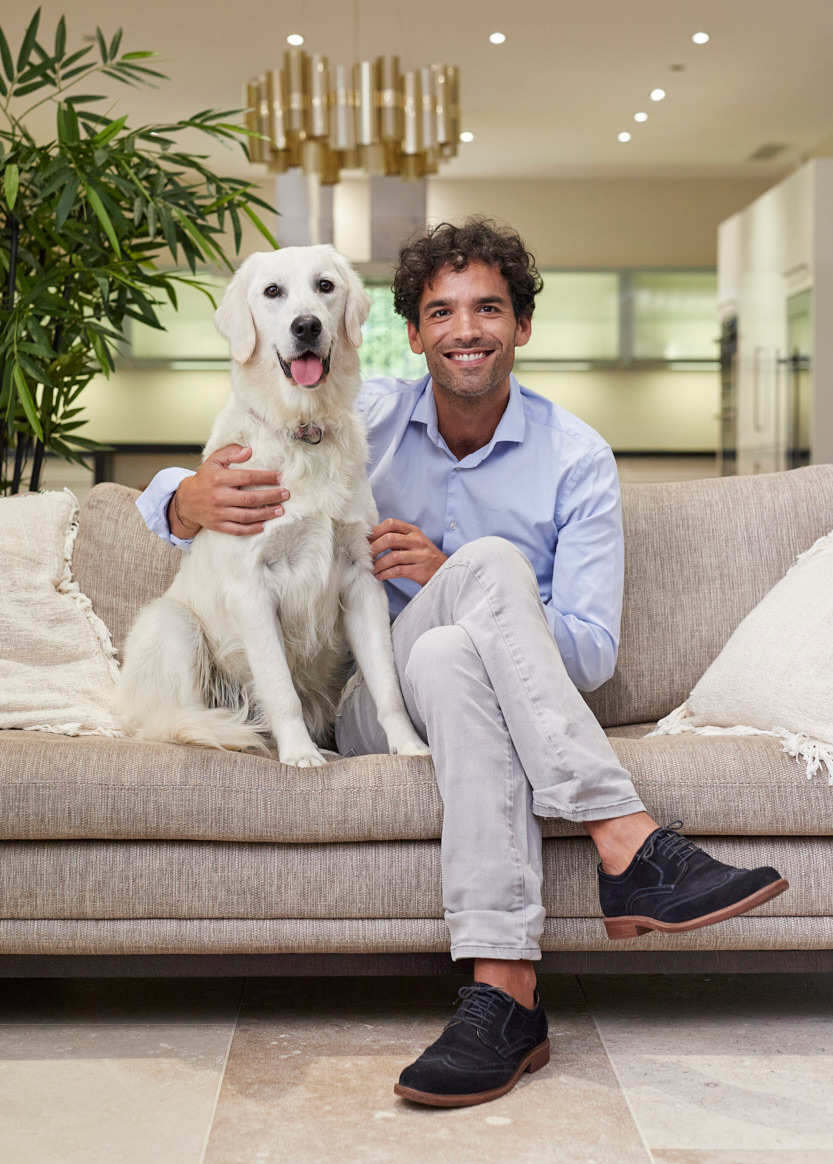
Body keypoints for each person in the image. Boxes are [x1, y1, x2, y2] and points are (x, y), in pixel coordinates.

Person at [137, 218, 786, 1109]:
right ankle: (629, 840)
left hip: (449, 677)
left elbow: (591, 654)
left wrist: (453, 577)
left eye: (488, 307)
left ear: (521, 325)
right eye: (440, 312)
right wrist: (182, 497)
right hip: (372, 696)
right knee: (485, 576)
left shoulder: (577, 460)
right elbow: (216, 463)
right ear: (411, 334)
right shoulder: (354, 412)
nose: (464, 328)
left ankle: (503, 998)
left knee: (461, 619)